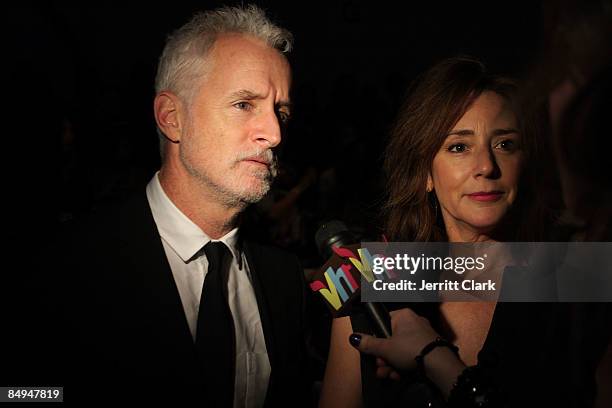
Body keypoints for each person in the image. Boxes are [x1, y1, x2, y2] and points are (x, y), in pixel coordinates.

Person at [44, 5, 312, 406]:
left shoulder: (283, 279)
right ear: (172, 118)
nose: (273, 133)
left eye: (281, 112)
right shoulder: (65, 267)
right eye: (244, 105)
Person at [317, 57, 598, 407]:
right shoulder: (374, 281)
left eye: (505, 144)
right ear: (426, 174)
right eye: (459, 147)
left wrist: (431, 357)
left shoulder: (579, 282)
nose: (486, 167)